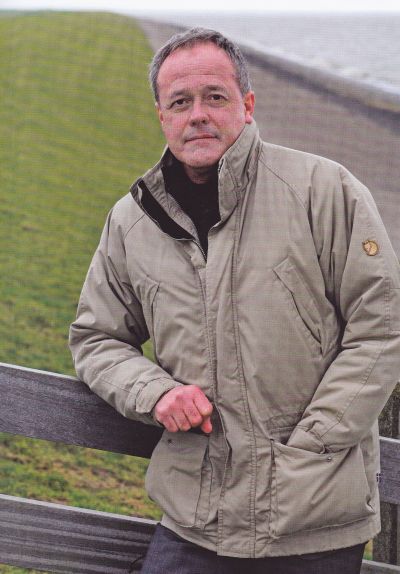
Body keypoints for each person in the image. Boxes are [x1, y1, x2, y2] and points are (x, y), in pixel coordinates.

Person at [69, 28, 400, 574]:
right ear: (162, 116)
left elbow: (382, 326)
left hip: (313, 518)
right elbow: (96, 338)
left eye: (214, 96)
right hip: (195, 520)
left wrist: (313, 443)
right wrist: (154, 392)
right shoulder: (132, 221)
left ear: (246, 105)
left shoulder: (324, 189)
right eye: (180, 102)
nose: (197, 114)